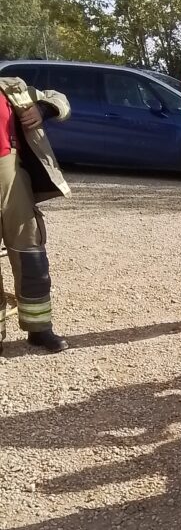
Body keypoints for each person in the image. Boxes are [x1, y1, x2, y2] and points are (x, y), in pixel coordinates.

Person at [0, 73, 71, 355]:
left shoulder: (10, 87)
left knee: (30, 251)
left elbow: (61, 101)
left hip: (11, 172)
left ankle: (39, 330)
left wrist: (42, 110)